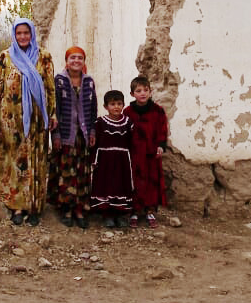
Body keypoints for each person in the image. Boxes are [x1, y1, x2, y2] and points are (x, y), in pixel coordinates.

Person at [0, 19, 56, 227]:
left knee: (35, 160)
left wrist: (52, 114)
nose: (23, 37)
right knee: (15, 161)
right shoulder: (5, 56)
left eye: (26, 33)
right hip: (10, 119)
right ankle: (16, 205)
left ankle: (34, 206)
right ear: (14, 35)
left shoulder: (43, 56)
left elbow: (50, 87)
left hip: (36, 118)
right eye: (19, 33)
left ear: (32, 34)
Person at [49, 46, 97, 229]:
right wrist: (56, 135)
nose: (76, 61)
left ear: (84, 61)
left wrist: (92, 132)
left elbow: (93, 109)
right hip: (66, 136)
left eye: (80, 58)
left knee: (82, 173)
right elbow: (55, 110)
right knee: (66, 173)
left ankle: (80, 208)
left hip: (82, 137)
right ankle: (66, 209)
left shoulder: (89, 82)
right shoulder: (59, 81)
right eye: (72, 58)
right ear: (66, 61)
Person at [123, 75, 169, 229]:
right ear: (132, 94)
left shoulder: (158, 111)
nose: (142, 93)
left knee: (151, 181)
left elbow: (162, 129)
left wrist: (161, 145)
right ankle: (134, 211)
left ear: (150, 92)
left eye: (145, 90)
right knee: (134, 181)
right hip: (134, 153)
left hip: (151, 153)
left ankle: (150, 211)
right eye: (138, 91)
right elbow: (124, 131)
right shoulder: (128, 111)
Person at [90, 90, 135, 228]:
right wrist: (94, 159)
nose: (116, 107)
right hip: (105, 161)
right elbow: (94, 143)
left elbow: (132, 142)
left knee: (121, 185)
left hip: (122, 161)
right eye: (112, 104)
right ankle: (107, 215)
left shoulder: (128, 123)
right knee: (106, 185)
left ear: (123, 105)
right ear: (105, 106)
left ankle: (120, 215)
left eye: (119, 104)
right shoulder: (100, 122)